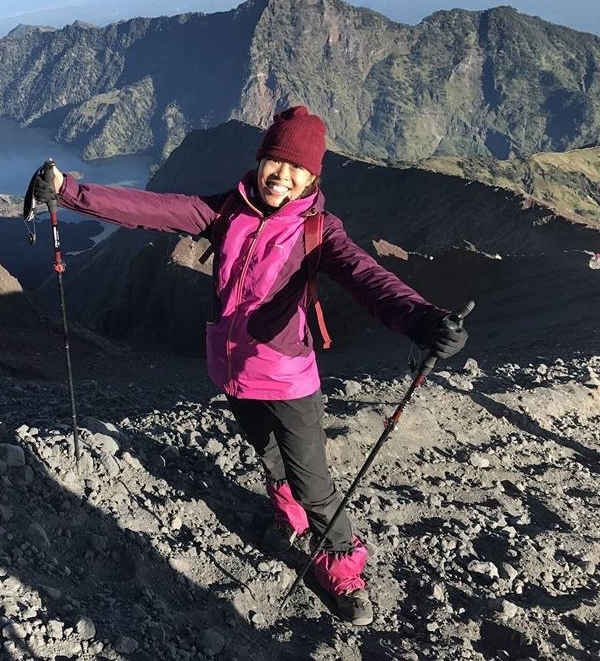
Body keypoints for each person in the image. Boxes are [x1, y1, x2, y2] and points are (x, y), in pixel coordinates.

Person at [31, 105, 467, 625]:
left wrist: (424, 320)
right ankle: (289, 518)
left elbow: (368, 277)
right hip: (233, 373)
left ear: (312, 176)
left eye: (295, 168)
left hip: (287, 380)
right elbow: (152, 209)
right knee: (268, 458)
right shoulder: (225, 213)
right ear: (259, 161)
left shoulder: (319, 232)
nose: (281, 175)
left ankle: (343, 567)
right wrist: (69, 191)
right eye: (273, 161)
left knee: (314, 483)